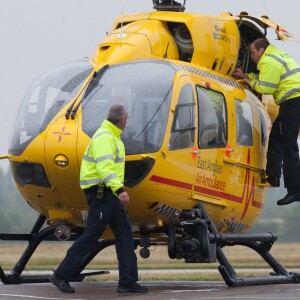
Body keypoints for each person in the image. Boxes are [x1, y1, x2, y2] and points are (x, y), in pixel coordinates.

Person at [49, 105, 148, 294]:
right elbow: (104, 168)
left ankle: (127, 281)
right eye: (127, 119)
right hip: (102, 194)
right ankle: (61, 275)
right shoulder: (105, 138)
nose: (127, 122)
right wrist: (120, 190)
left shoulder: (112, 136)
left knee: (125, 234)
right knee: (92, 234)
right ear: (122, 120)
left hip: (108, 195)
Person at [234, 38, 300, 206]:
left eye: (252, 52)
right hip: (292, 102)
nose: (252, 56)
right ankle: (273, 175)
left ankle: (295, 190)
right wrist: (246, 75)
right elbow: (267, 79)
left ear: (261, 50)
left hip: (293, 102)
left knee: (288, 144)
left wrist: (247, 81)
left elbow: (266, 88)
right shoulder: (276, 56)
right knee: (277, 138)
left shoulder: (268, 61)